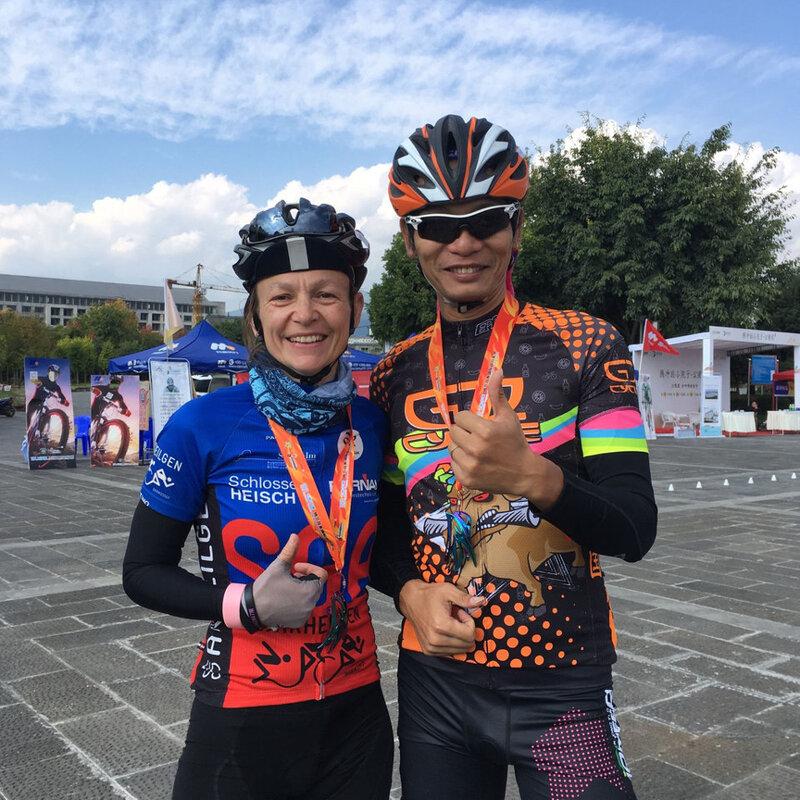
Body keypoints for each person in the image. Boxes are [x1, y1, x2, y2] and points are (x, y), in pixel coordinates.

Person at [369, 114, 658, 800]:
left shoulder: (588, 344)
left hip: (562, 685)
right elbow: (382, 530)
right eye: (438, 226)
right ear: (411, 242)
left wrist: (532, 477)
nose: (463, 243)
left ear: (517, 229)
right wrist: (409, 593)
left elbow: (635, 526)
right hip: (437, 686)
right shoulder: (392, 373)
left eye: (486, 220)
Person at [123, 198, 393, 800]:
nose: (305, 314)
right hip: (241, 716)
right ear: (254, 315)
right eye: (281, 297)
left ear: (354, 309)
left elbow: (388, 552)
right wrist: (244, 605)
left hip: (357, 716)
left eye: (326, 294)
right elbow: (142, 572)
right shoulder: (202, 424)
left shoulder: (373, 424)